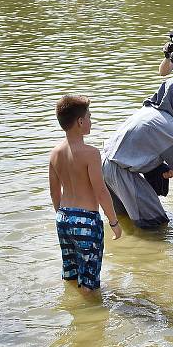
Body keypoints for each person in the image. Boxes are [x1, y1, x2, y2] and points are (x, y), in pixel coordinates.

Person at [103, 77, 173, 228]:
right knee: (156, 225)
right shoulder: (165, 125)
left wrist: (161, 168)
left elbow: (137, 148)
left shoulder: (147, 111)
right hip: (122, 173)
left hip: (105, 167)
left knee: (124, 220)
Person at [49, 95, 122, 293]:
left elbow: (54, 192)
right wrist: (114, 222)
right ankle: (90, 317)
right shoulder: (90, 153)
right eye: (89, 116)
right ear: (80, 122)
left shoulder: (55, 153)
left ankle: (74, 314)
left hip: (63, 217)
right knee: (89, 283)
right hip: (86, 220)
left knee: (71, 275)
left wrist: (64, 217)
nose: (91, 120)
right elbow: (100, 190)